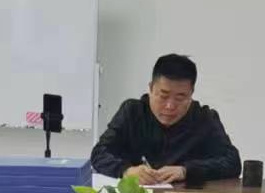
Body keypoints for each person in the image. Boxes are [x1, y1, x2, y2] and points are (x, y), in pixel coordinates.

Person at [90, 53, 241, 185]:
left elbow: (232, 162)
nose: (170, 106)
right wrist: (126, 170)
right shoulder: (132, 112)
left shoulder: (204, 118)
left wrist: (186, 171)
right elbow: (99, 153)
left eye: (180, 97)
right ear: (151, 88)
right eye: (163, 96)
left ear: (191, 94)